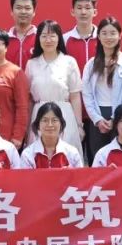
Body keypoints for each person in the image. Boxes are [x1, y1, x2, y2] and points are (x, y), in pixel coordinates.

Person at [81, 16, 122, 159]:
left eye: (113, 33)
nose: (108, 37)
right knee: (99, 158)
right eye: (104, 33)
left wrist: (116, 119)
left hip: (121, 117)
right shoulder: (91, 64)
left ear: (120, 35)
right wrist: (97, 119)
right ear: (98, 36)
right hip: (98, 117)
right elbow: (87, 94)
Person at [25, 20, 84, 154]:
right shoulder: (31, 64)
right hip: (39, 116)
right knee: (39, 155)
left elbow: (75, 96)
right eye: (44, 36)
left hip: (64, 115)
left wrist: (79, 126)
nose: (48, 40)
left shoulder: (69, 62)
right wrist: (27, 127)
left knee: (66, 155)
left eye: (52, 36)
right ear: (38, 39)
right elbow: (29, 99)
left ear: (59, 38)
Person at [20, 103, 83, 169]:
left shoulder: (72, 153)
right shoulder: (28, 154)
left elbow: (80, 175)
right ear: (38, 125)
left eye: (54, 120)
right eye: (45, 120)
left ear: (61, 124)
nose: (50, 124)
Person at [63, 0, 98, 74]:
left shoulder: (102, 38)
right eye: (79, 8)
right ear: (72, 12)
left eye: (87, 8)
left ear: (95, 12)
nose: (83, 12)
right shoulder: (64, 39)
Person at [6, 0, 38, 70]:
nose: (23, 12)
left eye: (27, 8)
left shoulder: (41, 38)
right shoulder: (3, 40)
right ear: (12, 11)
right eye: (19, 8)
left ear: (34, 12)